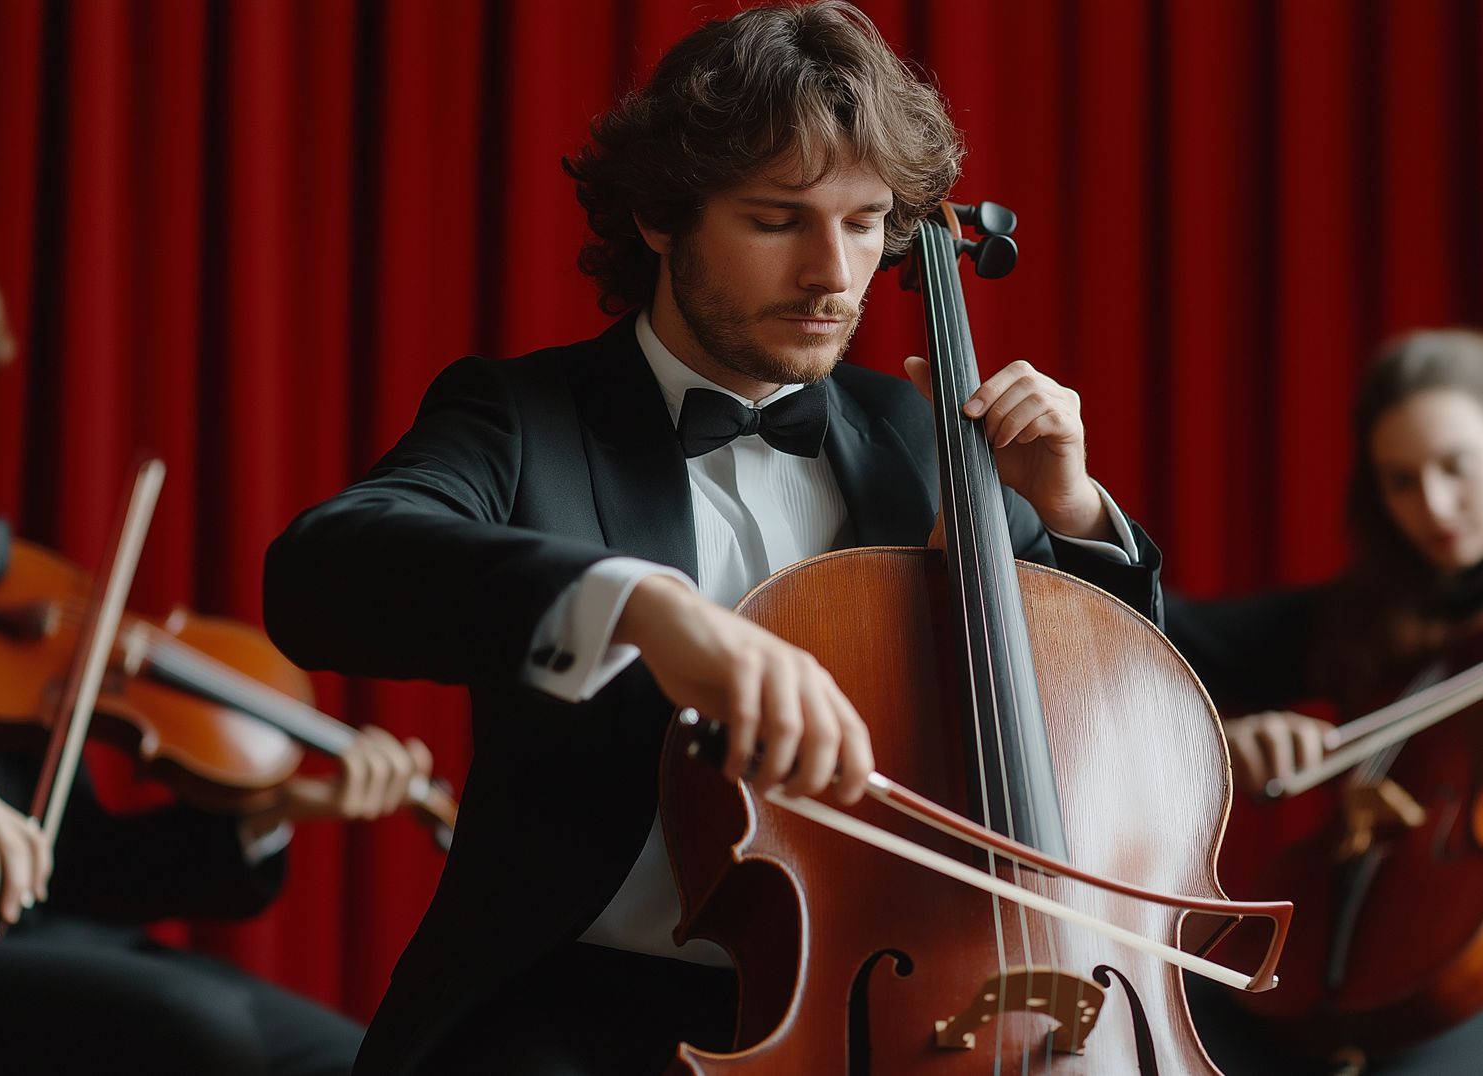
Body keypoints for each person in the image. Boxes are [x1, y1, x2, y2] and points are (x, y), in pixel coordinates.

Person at [261, 3, 1166, 1072]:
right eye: (779, 221)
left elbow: (1107, 719)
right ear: (660, 217)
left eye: (867, 221)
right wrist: (639, 602)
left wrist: (1068, 512)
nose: (834, 274)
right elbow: (325, 568)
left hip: (886, 1021)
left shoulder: (929, 447)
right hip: (579, 1015)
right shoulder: (527, 419)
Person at [0, 228, 437, 1075]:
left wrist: (272, 810)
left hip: (46, 942)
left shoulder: (6, 583)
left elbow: (84, 863)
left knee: (364, 1060)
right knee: (193, 1028)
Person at [1166, 328, 1483, 1075]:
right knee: (1175, 1010)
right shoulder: (1376, 618)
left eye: (1455, 467)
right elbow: (1185, 639)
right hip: (1382, 972)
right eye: (1401, 481)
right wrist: (1225, 743)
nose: (1435, 504)